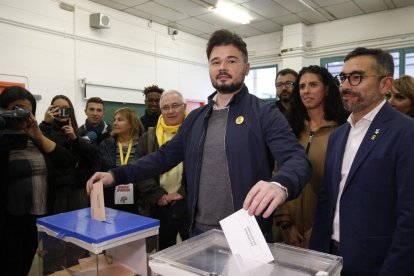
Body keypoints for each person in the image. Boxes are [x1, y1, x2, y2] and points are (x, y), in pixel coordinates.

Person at [87, 29, 311, 242]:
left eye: (231, 61)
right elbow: (162, 158)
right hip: (199, 233)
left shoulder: (263, 113)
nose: (222, 67)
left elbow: (297, 159)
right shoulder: (196, 119)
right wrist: (115, 175)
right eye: (216, 61)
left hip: (247, 235)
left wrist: (280, 185)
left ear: (246, 68)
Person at [309, 47, 414, 275]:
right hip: (329, 259)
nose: (345, 86)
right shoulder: (338, 135)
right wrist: (315, 256)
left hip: (376, 264)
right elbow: (327, 199)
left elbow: (409, 217)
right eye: (343, 77)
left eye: (357, 77)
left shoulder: (406, 133)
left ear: (385, 84)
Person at [0, 86, 73, 276]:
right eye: (16, 109)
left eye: (27, 110)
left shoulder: (38, 137)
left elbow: (67, 161)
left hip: (37, 216)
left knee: (25, 263)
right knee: (10, 265)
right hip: (10, 220)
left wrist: (39, 136)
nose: (21, 114)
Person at [274, 65, 348, 248]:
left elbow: (343, 186)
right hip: (286, 228)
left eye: (313, 85)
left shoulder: (343, 130)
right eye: (302, 86)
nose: (306, 91)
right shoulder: (289, 130)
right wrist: (284, 222)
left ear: (327, 89)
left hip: (327, 230)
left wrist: (321, 227)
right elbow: (277, 173)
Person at [136, 89, 190, 250]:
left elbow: (204, 168)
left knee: (193, 253)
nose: (171, 111)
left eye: (175, 106)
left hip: (188, 204)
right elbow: (141, 170)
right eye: (166, 107)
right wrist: (158, 196)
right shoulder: (148, 137)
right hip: (160, 205)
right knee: (164, 254)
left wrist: (182, 192)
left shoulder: (196, 133)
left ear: (184, 107)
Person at [39, 95, 97, 212]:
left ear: (70, 111)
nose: (61, 111)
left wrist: (74, 138)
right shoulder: (45, 130)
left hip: (77, 186)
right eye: (56, 108)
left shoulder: (79, 131)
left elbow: (93, 152)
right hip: (55, 186)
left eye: (65, 108)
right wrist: (45, 123)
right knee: (58, 222)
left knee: (77, 222)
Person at [94, 107, 145, 214]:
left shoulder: (142, 144)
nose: (115, 123)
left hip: (137, 198)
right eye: (114, 119)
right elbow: (99, 170)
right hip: (110, 198)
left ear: (132, 123)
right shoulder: (106, 144)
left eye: (120, 120)